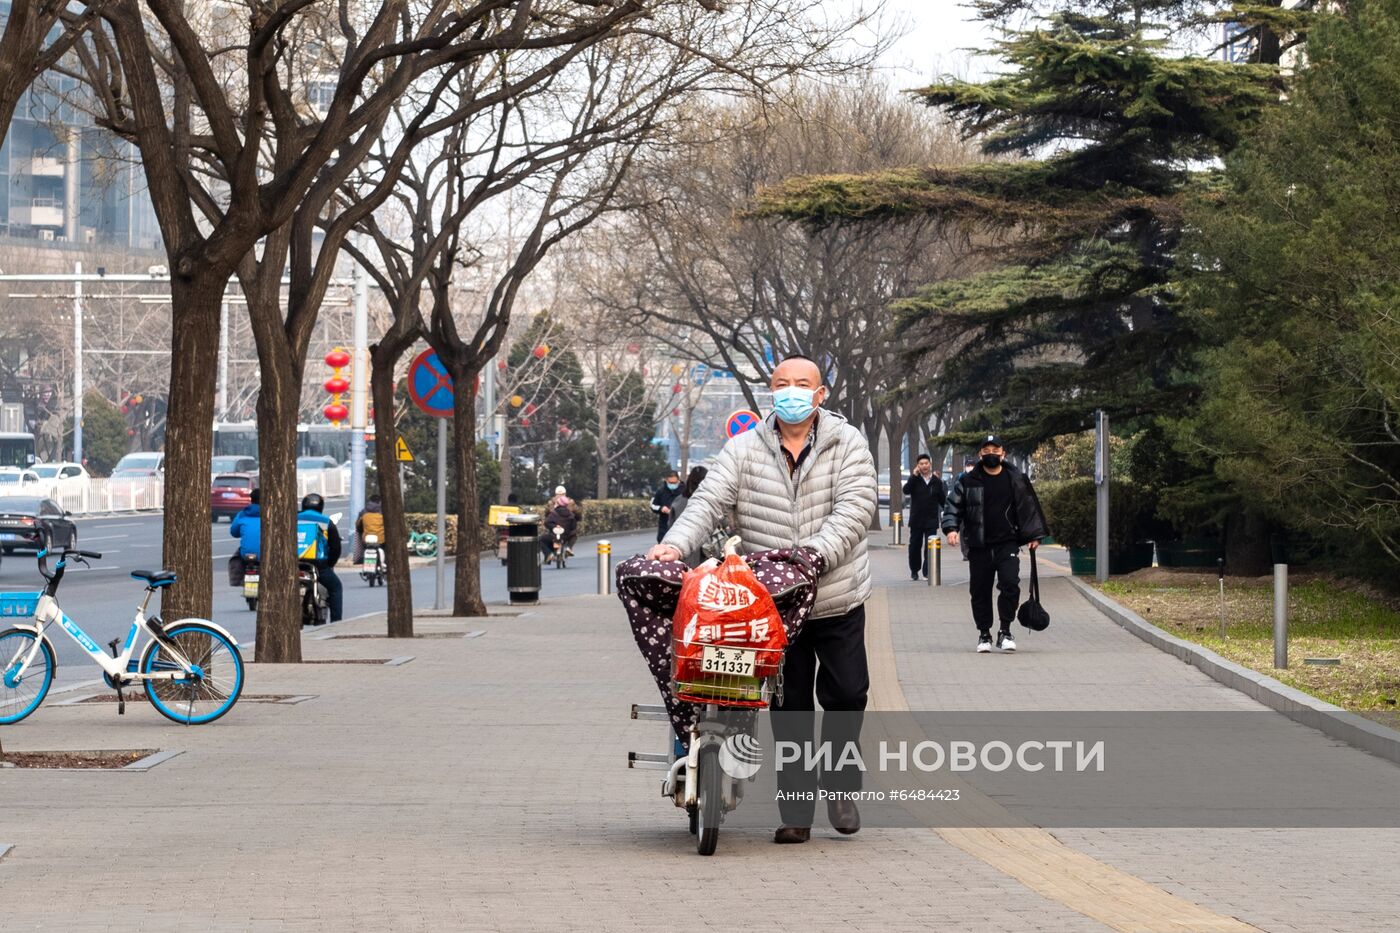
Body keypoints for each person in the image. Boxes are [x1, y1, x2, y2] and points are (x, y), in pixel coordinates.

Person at [648, 354, 877, 845]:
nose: (791, 392)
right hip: (772, 605)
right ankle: (796, 810)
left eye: (802, 384)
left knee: (847, 695)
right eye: (781, 384)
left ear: (821, 394)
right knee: (789, 706)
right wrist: (674, 544)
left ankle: (840, 785)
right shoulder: (745, 447)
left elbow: (856, 508)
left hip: (837, 595)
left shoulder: (847, 443)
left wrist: (811, 555)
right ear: (770, 392)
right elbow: (708, 502)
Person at [942, 434, 1048, 654]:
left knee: (1010, 584)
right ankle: (984, 633)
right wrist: (951, 529)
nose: (991, 454)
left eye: (995, 450)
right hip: (979, 546)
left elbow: (1028, 507)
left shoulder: (1016, 478)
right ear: (980, 454)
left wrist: (1034, 535)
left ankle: (1005, 631)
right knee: (979, 591)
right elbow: (953, 506)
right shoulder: (968, 481)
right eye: (986, 450)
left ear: (1003, 453)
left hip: (1007, 543)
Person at [298, 493, 344, 623]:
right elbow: (335, 548)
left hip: (293, 563)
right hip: (318, 565)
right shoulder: (326, 522)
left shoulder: (292, 518)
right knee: (336, 587)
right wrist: (329, 564)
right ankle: (336, 623)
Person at [902, 454, 945, 581]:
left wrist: (948, 512)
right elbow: (906, 490)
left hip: (931, 520)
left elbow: (942, 500)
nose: (924, 466)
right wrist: (913, 476)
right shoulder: (914, 480)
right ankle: (914, 570)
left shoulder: (936, 481)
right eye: (921, 464)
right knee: (914, 545)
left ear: (930, 465)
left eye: (926, 463)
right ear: (917, 466)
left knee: (929, 547)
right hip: (916, 520)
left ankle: (927, 571)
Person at [229, 488, 262, 580]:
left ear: (251, 500)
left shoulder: (242, 514)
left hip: (245, 555)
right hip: (264, 554)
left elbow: (233, 532)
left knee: (236, 556)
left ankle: (236, 579)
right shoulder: (270, 514)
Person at [649, 470, 683, 543]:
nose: (672, 485)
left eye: (674, 483)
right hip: (664, 527)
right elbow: (653, 505)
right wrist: (661, 508)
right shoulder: (661, 491)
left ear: (678, 480)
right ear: (666, 481)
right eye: (670, 483)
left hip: (680, 526)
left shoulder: (684, 492)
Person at [355, 496, 385, 564]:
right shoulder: (383, 512)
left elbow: (357, 525)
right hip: (380, 539)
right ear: (380, 502)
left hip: (366, 539)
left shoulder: (363, 512)